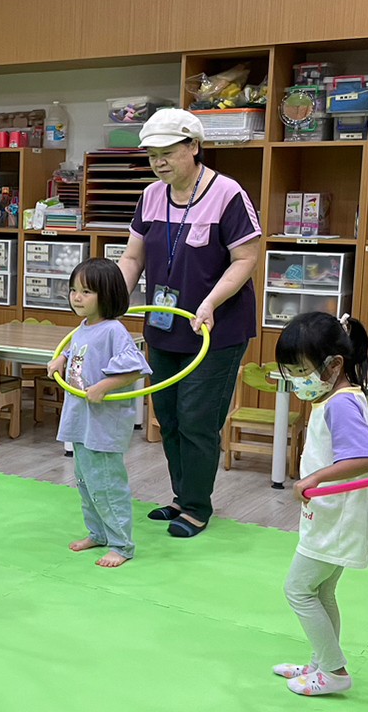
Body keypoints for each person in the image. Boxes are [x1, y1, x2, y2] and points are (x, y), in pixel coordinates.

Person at [116, 107, 263, 538]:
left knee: (199, 418)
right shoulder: (151, 195)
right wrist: (115, 298)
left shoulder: (227, 194)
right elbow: (132, 256)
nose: (160, 162)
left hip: (213, 329)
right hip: (163, 326)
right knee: (170, 416)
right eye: (152, 155)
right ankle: (182, 497)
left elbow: (246, 259)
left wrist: (211, 302)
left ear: (194, 147)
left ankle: (197, 507)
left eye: (168, 152)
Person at [274, 312, 368, 697]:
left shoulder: (339, 404)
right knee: (321, 593)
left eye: (300, 371)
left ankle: (335, 672)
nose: (295, 380)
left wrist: (317, 477)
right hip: (333, 514)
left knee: (298, 590)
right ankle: (322, 663)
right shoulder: (344, 396)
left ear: (334, 365)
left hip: (335, 518)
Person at [47, 259, 151, 567]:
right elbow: (77, 351)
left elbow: (136, 368)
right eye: (73, 290)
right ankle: (98, 532)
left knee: (106, 482)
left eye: (86, 291)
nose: (76, 297)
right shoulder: (84, 327)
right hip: (81, 419)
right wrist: (60, 360)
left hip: (104, 422)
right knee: (85, 480)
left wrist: (105, 385)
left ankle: (121, 543)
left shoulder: (114, 331)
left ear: (106, 294)